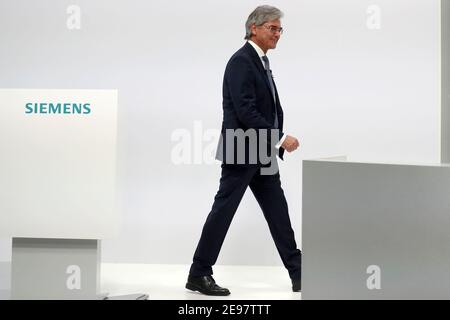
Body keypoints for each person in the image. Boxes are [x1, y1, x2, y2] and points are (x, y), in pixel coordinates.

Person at [186, 5, 302, 296]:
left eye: (280, 29)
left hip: (261, 152)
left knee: (279, 213)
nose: (277, 34)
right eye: (272, 28)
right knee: (223, 211)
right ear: (254, 28)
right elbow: (246, 111)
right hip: (241, 149)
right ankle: (198, 274)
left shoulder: (259, 61)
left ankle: (299, 273)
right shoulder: (241, 61)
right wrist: (280, 137)